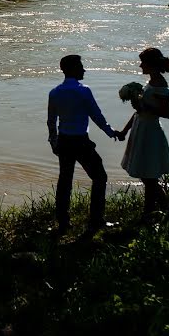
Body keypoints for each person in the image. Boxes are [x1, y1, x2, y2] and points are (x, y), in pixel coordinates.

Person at [47, 54, 119, 238]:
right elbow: (96, 116)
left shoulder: (54, 93)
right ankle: (96, 219)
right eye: (80, 66)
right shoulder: (84, 91)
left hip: (63, 141)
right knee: (100, 177)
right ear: (71, 69)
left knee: (65, 181)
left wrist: (53, 142)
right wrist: (111, 132)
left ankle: (63, 221)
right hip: (80, 141)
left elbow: (51, 121)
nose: (84, 69)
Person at [117, 48, 169, 219]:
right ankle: (164, 208)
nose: (140, 65)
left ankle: (149, 213)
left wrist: (143, 106)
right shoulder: (151, 82)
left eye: (143, 62)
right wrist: (125, 131)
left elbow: (167, 113)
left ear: (151, 64)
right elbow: (138, 112)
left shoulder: (159, 84)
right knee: (146, 174)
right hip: (141, 129)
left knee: (149, 176)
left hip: (150, 132)